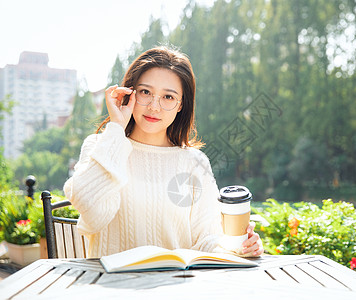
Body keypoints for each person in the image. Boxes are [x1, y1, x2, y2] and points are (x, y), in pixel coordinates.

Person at [63, 46, 263, 258]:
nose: (154, 106)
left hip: (176, 285)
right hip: (114, 284)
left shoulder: (194, 162)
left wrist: (240, 248)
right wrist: (116, 127)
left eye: (168, 97)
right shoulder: (100, 146)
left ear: (180, 105)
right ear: (130, 94)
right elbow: (92, 213)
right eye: (145, 92)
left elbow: (207, 237)